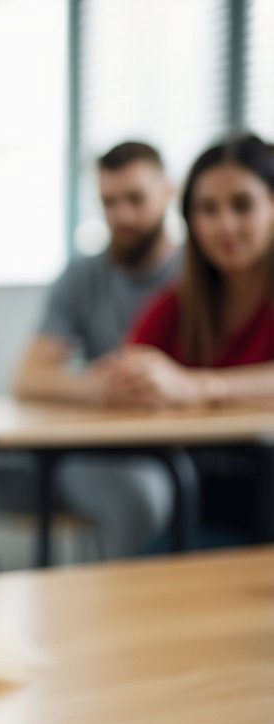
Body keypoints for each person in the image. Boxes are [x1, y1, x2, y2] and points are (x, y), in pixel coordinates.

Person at [0, 141, 183, 572]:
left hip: (150, 462)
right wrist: (95, 388)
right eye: (109, 202)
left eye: (135, 199)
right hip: (75, 454)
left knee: (140, 498)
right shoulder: (84, 274)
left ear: (168, 193)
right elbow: (27, 377)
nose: (122, 215)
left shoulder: (196, 276)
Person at [110, 133, 274, 544]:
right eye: (207, 209)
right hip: (199, 508)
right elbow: (130, 373)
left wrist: (201, 386)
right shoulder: (172, 308)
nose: (225, 225)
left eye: (242, 205)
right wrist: (132, 381)